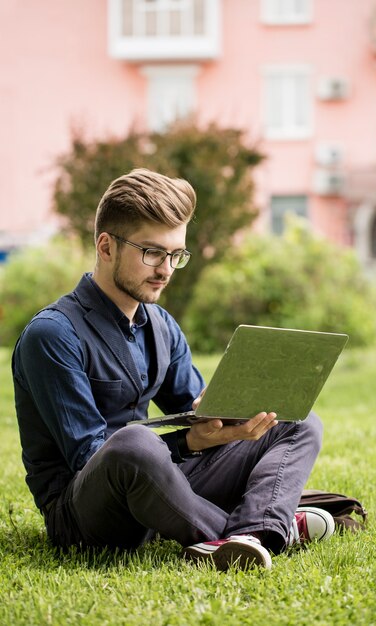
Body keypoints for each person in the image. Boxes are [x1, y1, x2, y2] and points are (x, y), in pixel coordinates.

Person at [12, 168, 334, 571]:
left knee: (298, 422)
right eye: (152, 252)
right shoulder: (52, 334)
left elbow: (197, 413)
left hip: (164, 487)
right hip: (85, 514)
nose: (165, 269)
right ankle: (262, 530)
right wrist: (190, 444)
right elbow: (90, 456)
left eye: (175, 254)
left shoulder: (160, 325)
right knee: (133, 443)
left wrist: (231, 413)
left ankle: (255, 533)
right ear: (106, 246)